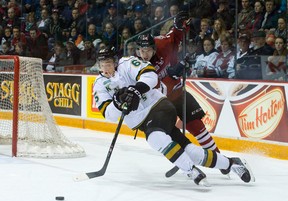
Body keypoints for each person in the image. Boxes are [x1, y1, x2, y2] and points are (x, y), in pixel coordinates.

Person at [92, 46, 255, 186]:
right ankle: (232, 163)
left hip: (159, 107)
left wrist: (136, 90)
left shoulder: (126, 64)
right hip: (143, 122)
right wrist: (117, 103)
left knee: (155, 138)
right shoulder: (99, 85)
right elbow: (109, 115)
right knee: (190, 151)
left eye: (108, 63)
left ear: (115, 61)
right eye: (102, 64)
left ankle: (189, 170)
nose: (105, 68)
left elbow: (150, 75)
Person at [136, 12, 229, 175]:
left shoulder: (163, 44)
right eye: (141, 51)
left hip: (178, 93)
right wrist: (171, 75)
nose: (145, 55)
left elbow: (176, 35)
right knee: (171, 135)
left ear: (154, 47)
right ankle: (184, 160)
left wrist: (179, 25)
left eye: (148, 50)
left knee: (197, 127)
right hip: (160, 104)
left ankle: (220, 160)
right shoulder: (136, 67)